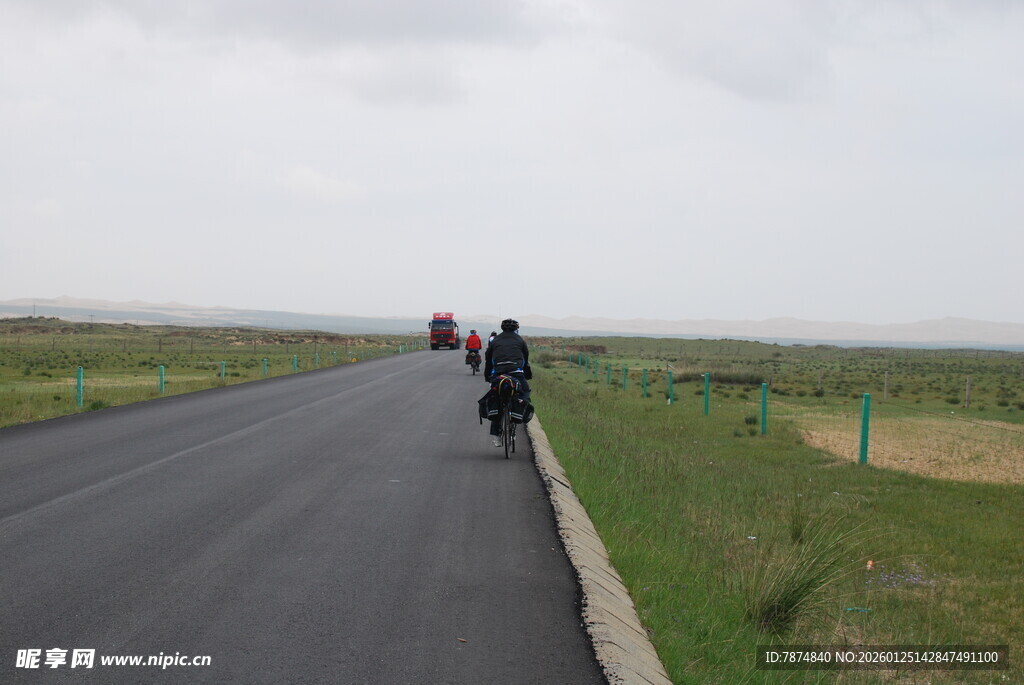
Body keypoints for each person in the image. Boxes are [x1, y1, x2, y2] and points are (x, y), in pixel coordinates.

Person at [484, 319, 531, 446]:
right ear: (516, 328)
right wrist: (527, 374)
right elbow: (525, 360)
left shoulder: (495, 341)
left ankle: (497, 436)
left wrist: (488, 376)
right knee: (525, 392)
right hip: (516, 373)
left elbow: (488, 359)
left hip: (498, 374)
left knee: (496, 399)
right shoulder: (520, 340)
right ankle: (517, 417)